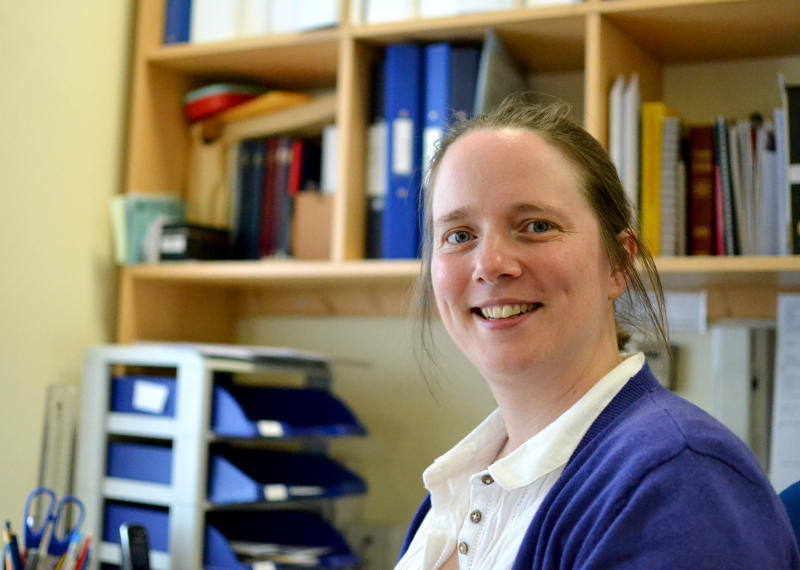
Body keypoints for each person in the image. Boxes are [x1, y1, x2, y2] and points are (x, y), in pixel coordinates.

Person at [395, 96, 800, 569]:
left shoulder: (677, 478)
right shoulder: (461, 484)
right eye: (459, 235)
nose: (490, 266)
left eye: (536, 226)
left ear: (618, 263)